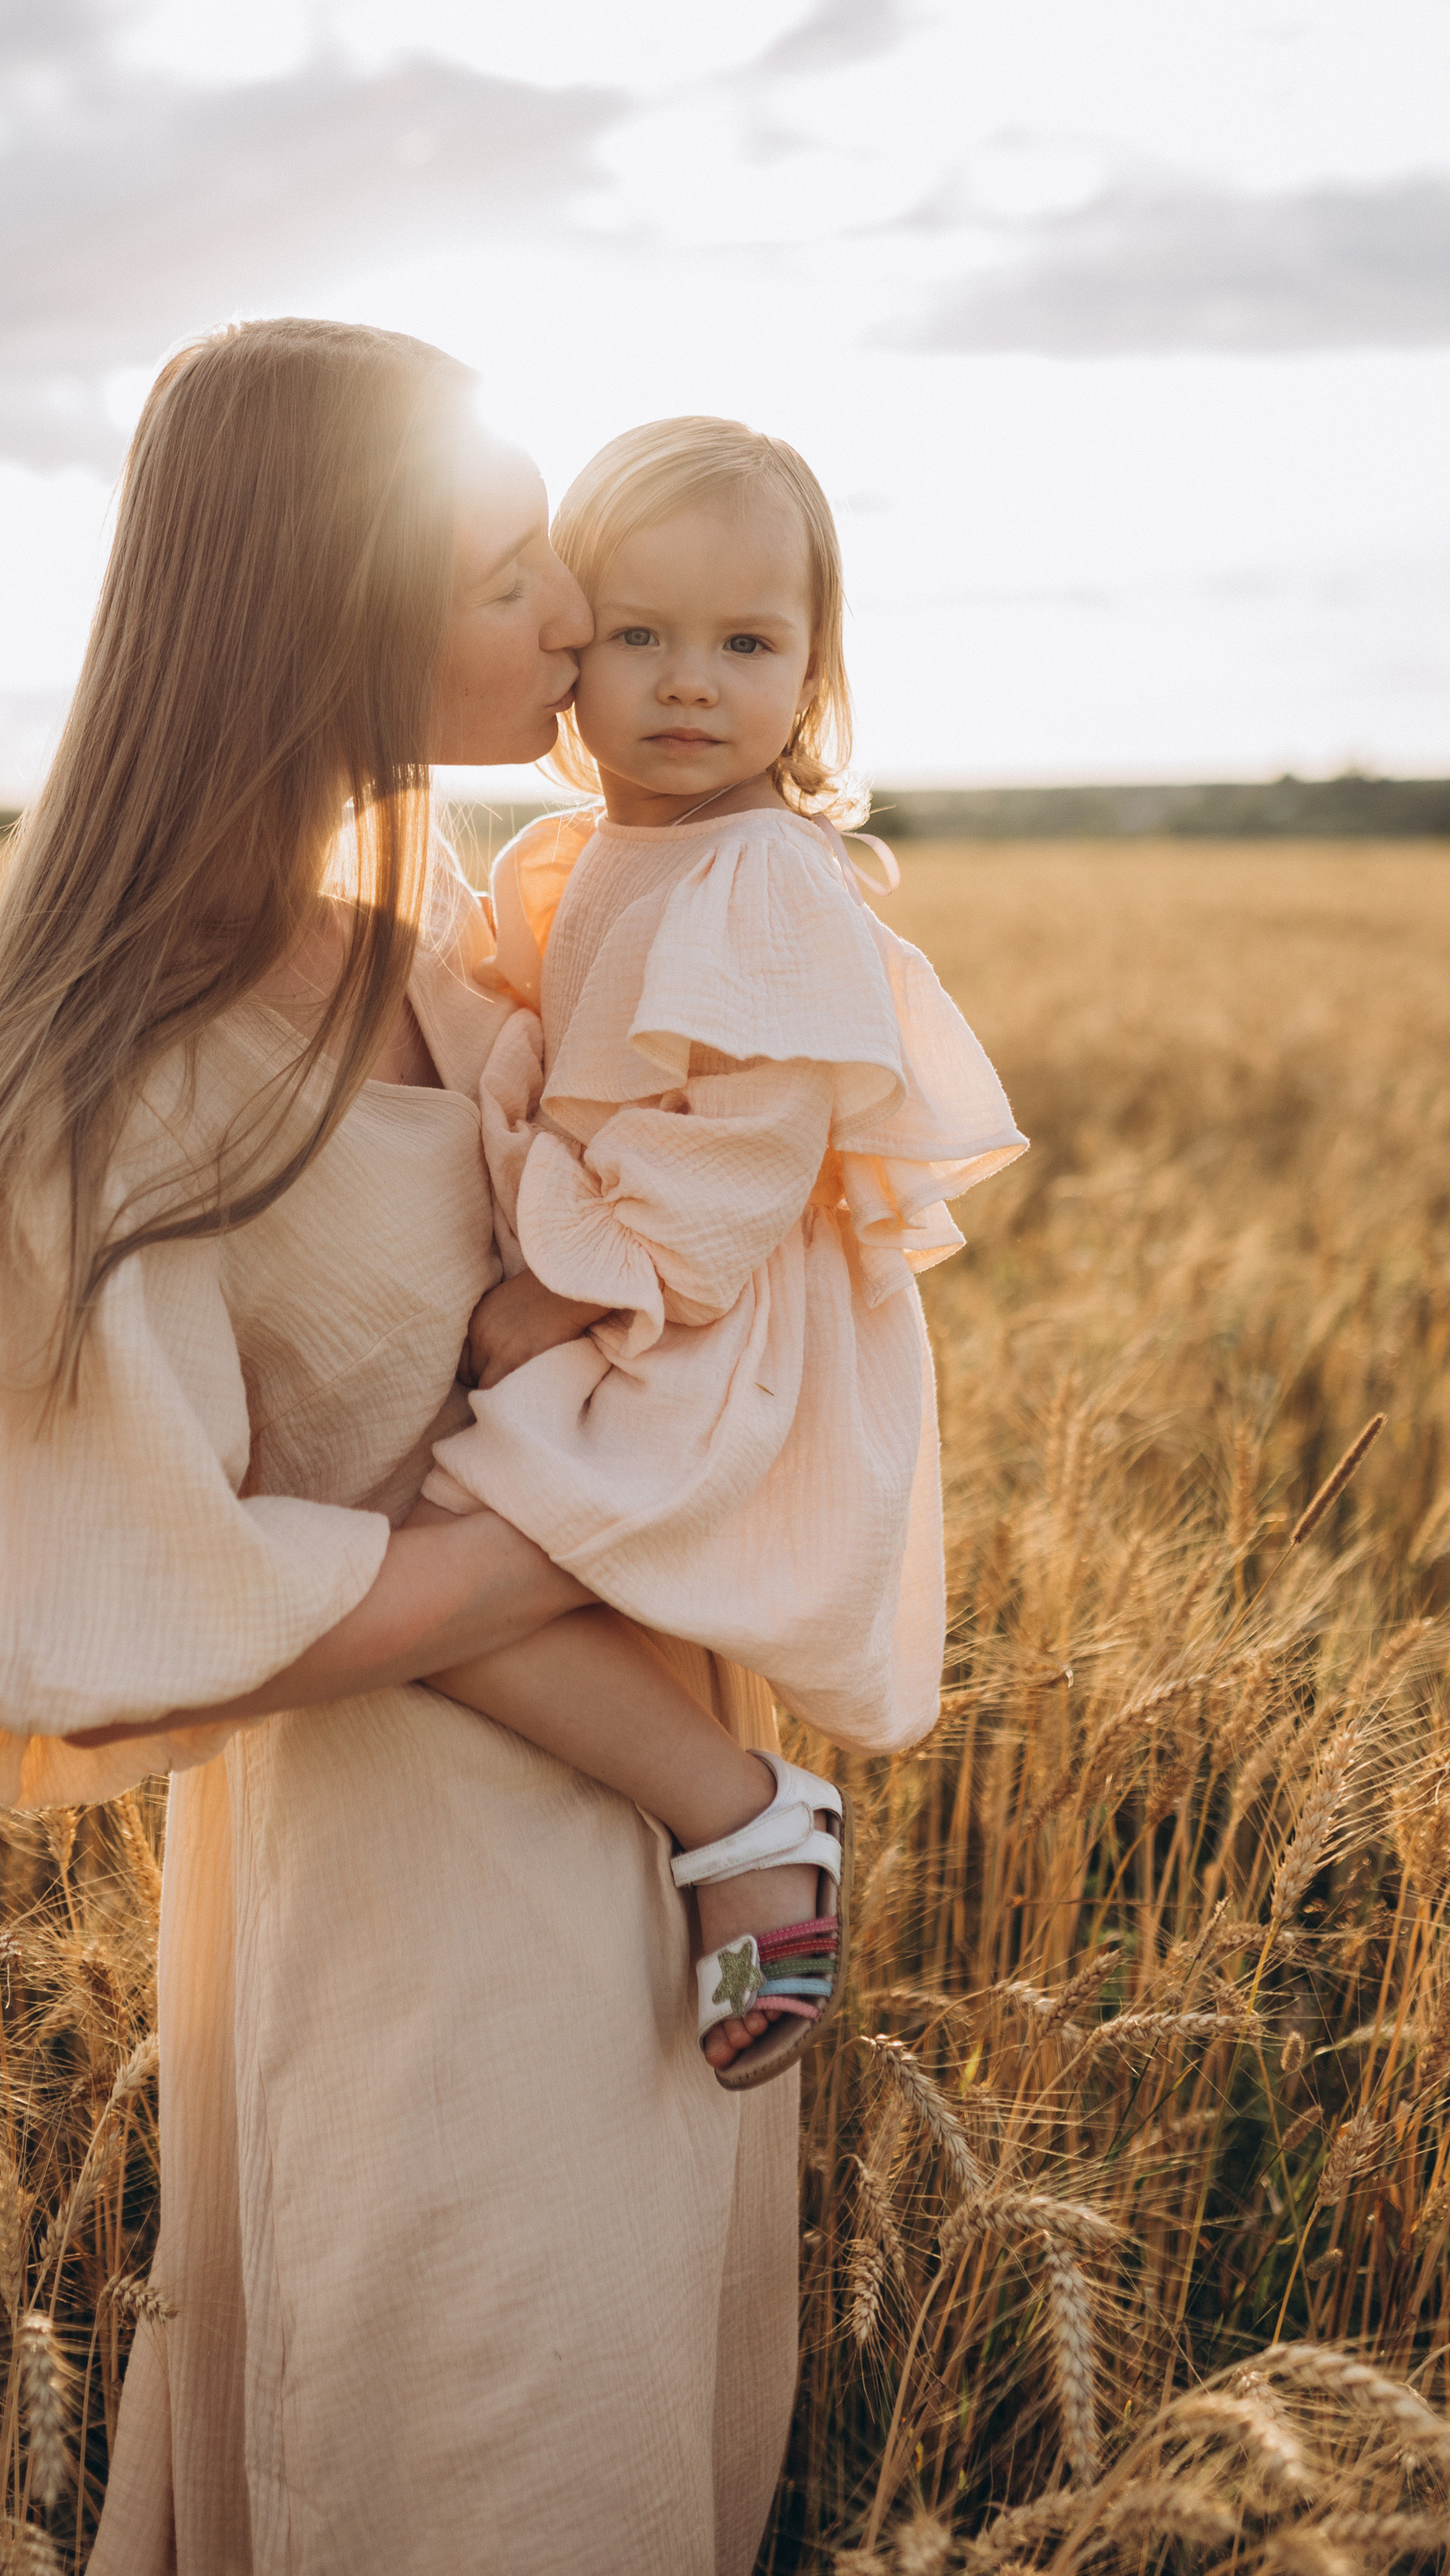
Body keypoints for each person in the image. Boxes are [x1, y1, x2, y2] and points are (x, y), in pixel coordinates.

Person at [0, 323, 848, 2575]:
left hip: (671, 1869)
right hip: (431, 1917)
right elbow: (82, 1596)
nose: (578, 626)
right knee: (476, 2468)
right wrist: (551, 1551)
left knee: (661, 2448)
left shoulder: (431, 946)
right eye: (516, 575)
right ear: (333, 612)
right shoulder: (149, 1051)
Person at [414, 416, 1028, 2088]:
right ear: (564, 653)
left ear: (812, 675)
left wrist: (566, 1286)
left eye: (745, 645)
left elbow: (741, 1160)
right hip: (629, 1270)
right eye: (639, 637)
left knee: (426, 1554)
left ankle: (737, 1813)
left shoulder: (760, 873)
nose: (690, 684)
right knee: (436, 1543)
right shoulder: (571, 856)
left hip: (699, 1308)